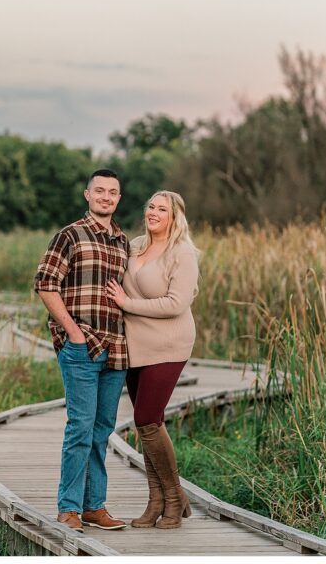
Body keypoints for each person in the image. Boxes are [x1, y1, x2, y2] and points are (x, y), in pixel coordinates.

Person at [33, 169, 131, 533]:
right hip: (81, 348)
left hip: (117, 350)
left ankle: (94, 506)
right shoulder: (70, 235)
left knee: (102, 429)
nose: (106, 197)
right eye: (100, 191)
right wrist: (73, 332)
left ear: (119, 199)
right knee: (80, 427)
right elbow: (45, 284)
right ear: (87, 194)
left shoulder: (123, 241)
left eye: (113, 192)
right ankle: (69, 507)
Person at [106, 190, 200, 530]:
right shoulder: (133, 246)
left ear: (175, 216)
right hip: (136, 345)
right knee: (149, 425)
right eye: (150, 206)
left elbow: (176, 303)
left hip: (169, 343)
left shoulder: (182, 253)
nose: (154, 212)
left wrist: (126, 303)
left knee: (147, 418)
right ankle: (156, 500)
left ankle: (173, 499)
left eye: (162, 209)